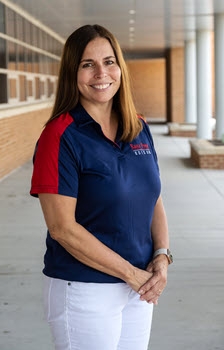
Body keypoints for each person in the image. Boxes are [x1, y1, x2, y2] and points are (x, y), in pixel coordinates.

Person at [30, 24, 173, 350]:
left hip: (139, 285)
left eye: (109, 61)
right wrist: (131, 274)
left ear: (120, 67)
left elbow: (153, 197)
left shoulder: (138, 126)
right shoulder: (60, 135)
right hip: (84, 289)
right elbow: (62, 228)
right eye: (87, 64)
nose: (101, 73)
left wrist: (162, 256)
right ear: (72, 72)